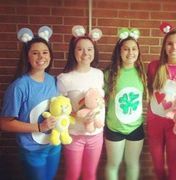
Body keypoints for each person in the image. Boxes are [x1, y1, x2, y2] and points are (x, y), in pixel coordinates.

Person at [0, 26, 61, 180]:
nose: (41, 57)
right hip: (33, 150)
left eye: (45, 52)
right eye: (35, 53)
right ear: (27, 57)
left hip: (54, 145)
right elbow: (5, 124)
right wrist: (40, 127)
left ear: (50, 55)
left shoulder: (53, 80)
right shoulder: (19, 86)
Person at [146, 22, 176, 180]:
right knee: (157, 162)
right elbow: (149, 90)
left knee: (173, 160)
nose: (174, 47)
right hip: (154, 120)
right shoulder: (154, 66)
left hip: (175, 125)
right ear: (164, 46)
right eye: (170, 43)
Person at [57, 25, 104, 180]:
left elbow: (100, 101)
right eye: (80, 49)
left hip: (96, 134)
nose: (86, 53)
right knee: (73, 175)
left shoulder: (99, 74)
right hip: (74, 134)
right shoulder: (65, 78)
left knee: (90, 175)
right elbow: (60, 110)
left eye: (90, 49)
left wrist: (97, 116)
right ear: (73, 51)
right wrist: (77, 116)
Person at [104, 28, 148, 180]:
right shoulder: (109, 74)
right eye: (126, 49)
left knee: (133, 163)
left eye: (134, 49)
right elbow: (99, 100)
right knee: (113, 164)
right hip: (114, 128)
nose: (130, 53)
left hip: (135, 128)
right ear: (119, 51)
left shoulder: (142, 73)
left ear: (138, 51)